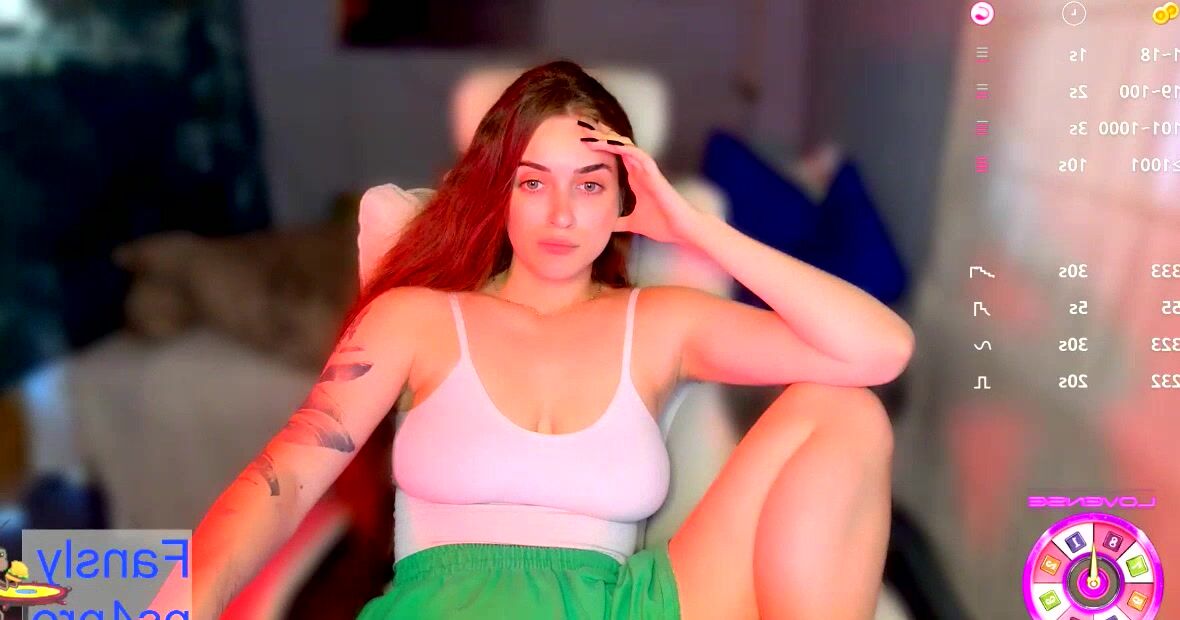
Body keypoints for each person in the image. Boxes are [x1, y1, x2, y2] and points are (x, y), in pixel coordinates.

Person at [155, 59, 914, 619]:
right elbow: (284, 481)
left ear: (624, 197)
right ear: (500, 190)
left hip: (628, 605)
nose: (561, 214)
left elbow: (878, 351)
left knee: (845, 411)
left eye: (589, 183)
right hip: (449, 607)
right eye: (533, 181)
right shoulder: (414, 318)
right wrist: (178, 605)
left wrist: (695, 229)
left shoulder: (662, 321)